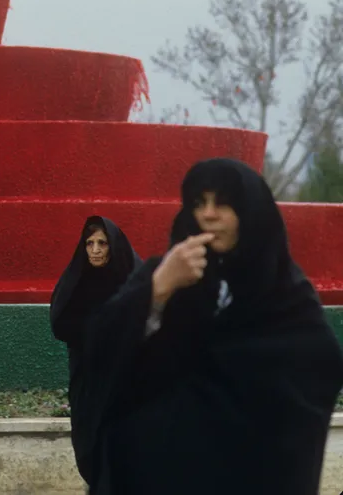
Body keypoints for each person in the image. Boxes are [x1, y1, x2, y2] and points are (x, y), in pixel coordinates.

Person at [84, 157, 343, 494]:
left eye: (222, 204)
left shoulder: (285, 294)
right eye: (199, 203)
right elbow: (101, 349)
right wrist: (158, 291)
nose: (208, 214)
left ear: (250, 214)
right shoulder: (165, 273)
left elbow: (315, 371)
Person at [49, 216, 142, 486]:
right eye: (89, 243)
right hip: (88, 382)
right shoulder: (77, 283)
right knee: (89, 447)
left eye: (102, 243)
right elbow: (61, 323)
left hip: (125, 382)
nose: (96, 249)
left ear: (114, 247)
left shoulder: (133, 282)